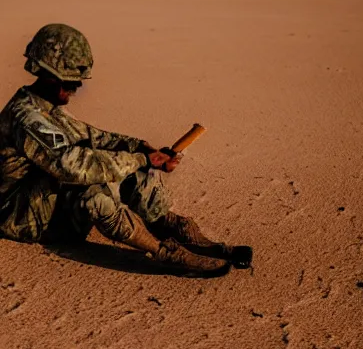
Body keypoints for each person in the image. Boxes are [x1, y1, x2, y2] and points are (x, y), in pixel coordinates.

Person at [0, 23, 252, 277]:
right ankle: (163, 252)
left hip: (49, 208)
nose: (74, 90)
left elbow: (92, 136)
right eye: (69, 82)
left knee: (132, 167)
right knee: (93, 180)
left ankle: (177, 230)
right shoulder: (26, 115)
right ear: (45, 74)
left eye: (77, 83)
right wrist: (140, 158)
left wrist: (141, 149)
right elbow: (71, 165)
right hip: (23, 220)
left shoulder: (45, 106)